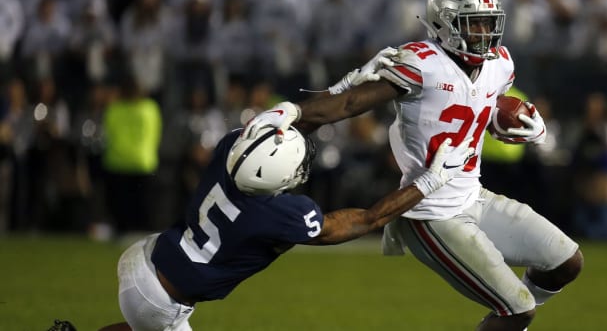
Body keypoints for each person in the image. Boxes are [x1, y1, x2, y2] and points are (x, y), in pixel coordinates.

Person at [244, 0, 584, 331]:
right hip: (429, 212)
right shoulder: (422, 63)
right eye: (474, 24)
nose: (484, 34)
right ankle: (512, 316)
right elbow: (348, 105)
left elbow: (477, 104)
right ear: (444, 23)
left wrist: (512, 121)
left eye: (488, 23)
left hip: (473, 195)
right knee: (517, 309)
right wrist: (294, 114)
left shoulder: (500, 63)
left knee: (567, 262)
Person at [96, 125, 473, 331]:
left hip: (148, 257)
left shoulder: (231, 148)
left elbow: (270, 131)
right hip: (159, 302)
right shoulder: (278, 214)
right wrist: (427, 182)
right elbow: (369, 219)